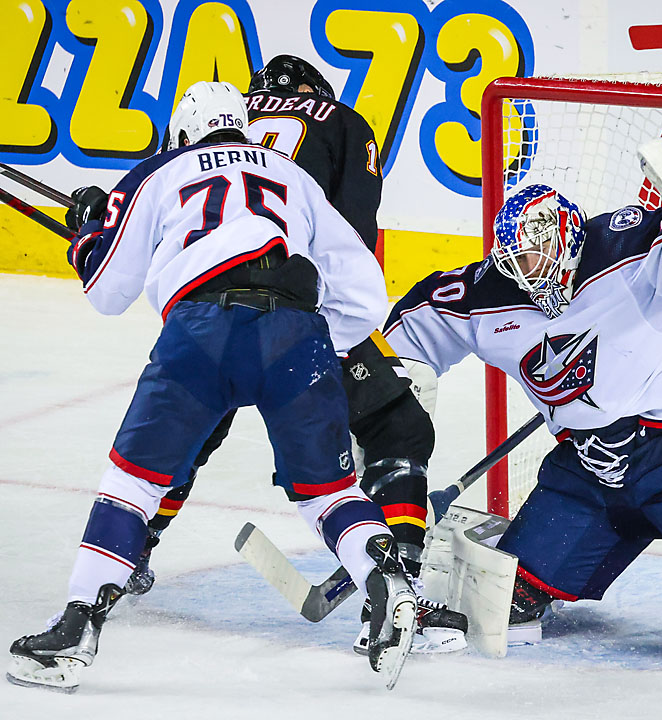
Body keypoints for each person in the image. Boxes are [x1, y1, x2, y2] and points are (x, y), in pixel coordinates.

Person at [7, 81, 416, 693]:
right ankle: (385, 582)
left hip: (203, 331)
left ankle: (76, 628)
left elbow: (106, 291)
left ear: (182, 132)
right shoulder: (292, 176)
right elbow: (363, 289)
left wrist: (90, 231)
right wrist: (306, 341)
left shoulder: (160, 169)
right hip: (297, 331)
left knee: (134, 481)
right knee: (327, 491)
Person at [382, 138, 662, 643]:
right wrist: (380, 405)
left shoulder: (627, 249)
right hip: (589, 471)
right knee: (508, 604)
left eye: (538, 255)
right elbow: (405, 338)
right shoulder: (486, 294)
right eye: (518, 263)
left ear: (566, 235)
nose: (530, 274)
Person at [128, 55, 466, 654]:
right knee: (398, 425)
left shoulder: (213, 132)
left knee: (190, 430)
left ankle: (129, 551)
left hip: (206, 311)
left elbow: (155, 216)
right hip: (297, 312)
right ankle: (398, 592)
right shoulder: (343, 121)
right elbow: (350, 239)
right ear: (317, 90)